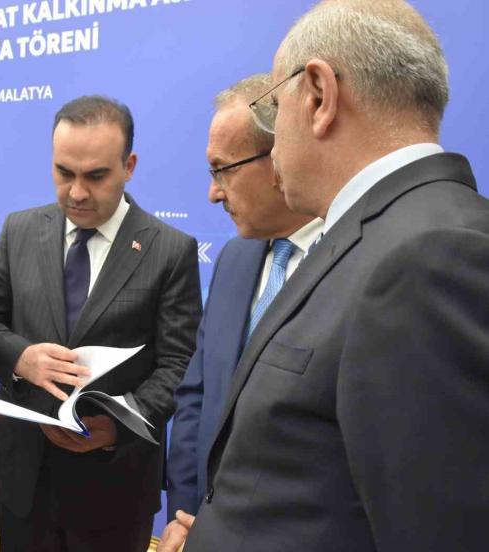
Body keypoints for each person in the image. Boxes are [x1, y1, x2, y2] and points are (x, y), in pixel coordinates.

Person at [180, 1, 489, 550]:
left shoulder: (429, 257)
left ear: (320, 97)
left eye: (276, 109)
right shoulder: (380, 236)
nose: (275, 141)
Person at [0, 95, 202, 552]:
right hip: (22, 481)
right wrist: (22, 358)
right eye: (63, 173)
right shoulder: (20, 230)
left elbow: (180, 364)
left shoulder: (170, 250)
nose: (76, 192)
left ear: (128, 166)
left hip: (114, 489)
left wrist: (119, 426)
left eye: (95, 176)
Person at [160, 74, 320, 550]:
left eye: (222, 170)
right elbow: (196, 397)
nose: (213, 193)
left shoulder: (352, 265)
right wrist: (185, 518)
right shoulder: (234, 257)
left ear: (279, 157)